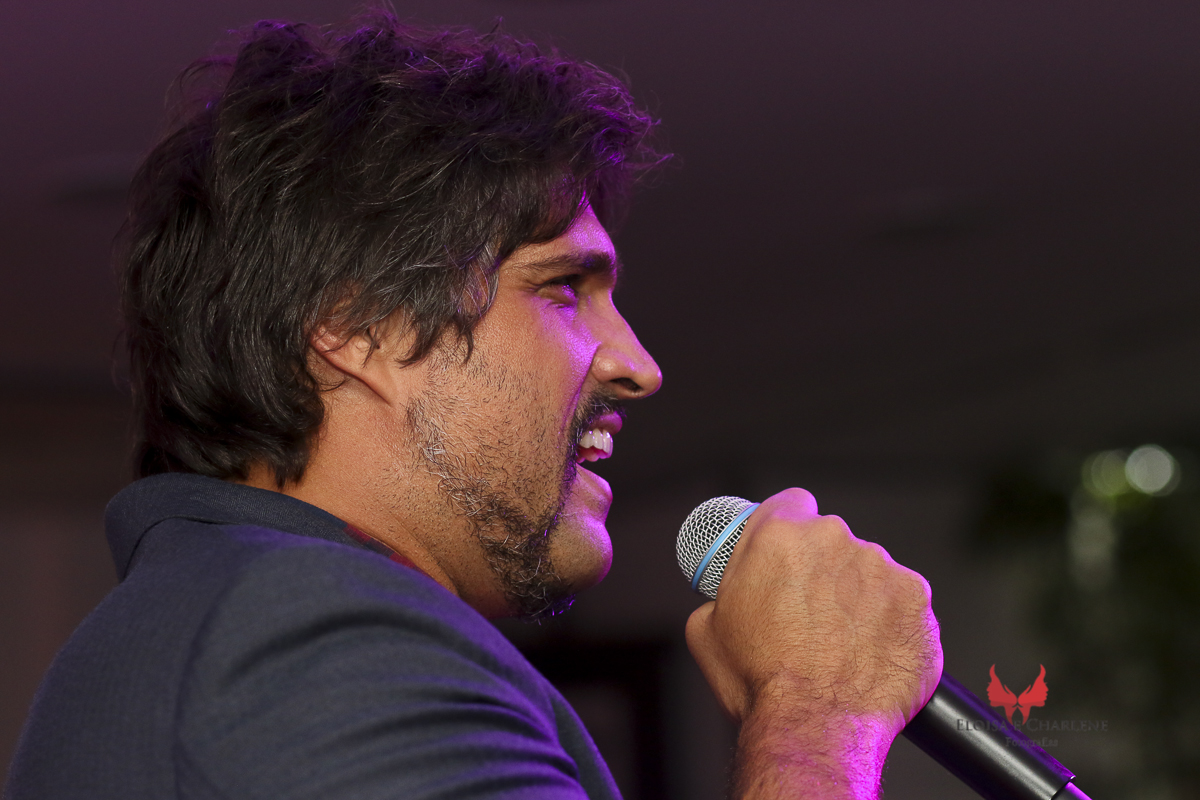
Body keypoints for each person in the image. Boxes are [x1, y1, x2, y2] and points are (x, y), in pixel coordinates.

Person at [5, 11, 941, 800]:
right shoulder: (311, 638)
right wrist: (818, 713)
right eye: (563, 288)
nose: (639, 365)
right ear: (358, 327)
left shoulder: (217, 620)